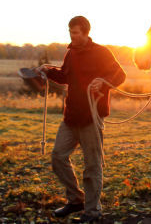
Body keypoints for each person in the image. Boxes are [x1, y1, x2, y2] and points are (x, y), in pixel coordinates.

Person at [37, 15, 126, 223]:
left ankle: (92, 211)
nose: (72, 36)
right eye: (70, 32)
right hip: (71, 117)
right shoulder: (71, 53)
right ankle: (76, 199)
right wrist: (48, 71)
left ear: (86, 33)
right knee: (58, 157)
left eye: (75, 32)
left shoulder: (102, 53)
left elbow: (120, 75)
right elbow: (65, 76)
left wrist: (103, 83)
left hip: (92, 118)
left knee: (92, 166)